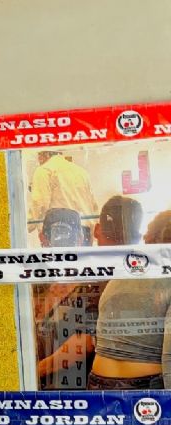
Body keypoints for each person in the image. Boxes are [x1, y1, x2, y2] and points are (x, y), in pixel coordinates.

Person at [36, 198, 144, 392]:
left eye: (68, 236)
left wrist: (36, 370)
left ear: (83, 237)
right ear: (42, 238)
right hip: (49, 389)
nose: (61, 244)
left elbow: (86, 341)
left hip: (81, 390)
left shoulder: (96, 281)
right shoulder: (36, 282)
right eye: (55, 236)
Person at [89, 210, 171, 392]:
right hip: (143, 385)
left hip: (98, 381)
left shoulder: (125, 271)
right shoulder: (167, 276)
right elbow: (170, 355)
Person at [28, 151, 99, 245]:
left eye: (39, 157)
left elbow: (39, 203)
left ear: (44, 154)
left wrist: (26, 226)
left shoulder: (44, 170)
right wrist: (92, 233)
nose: (39, 160)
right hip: (84, 231)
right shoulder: (81, 172)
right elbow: (93, 206)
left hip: (58, 231)